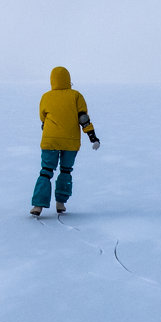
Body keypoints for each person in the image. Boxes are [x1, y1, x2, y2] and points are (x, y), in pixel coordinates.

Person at [30, 66, 100, 216]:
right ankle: (60, 202)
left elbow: (43, 118)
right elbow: (83, 118)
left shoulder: (46, 97)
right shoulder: (76, 96)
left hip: (50, 140)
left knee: (46, 171)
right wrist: (92, 137)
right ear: (68, 79)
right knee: (66, 170)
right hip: (71, 141)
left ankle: (38, 206)